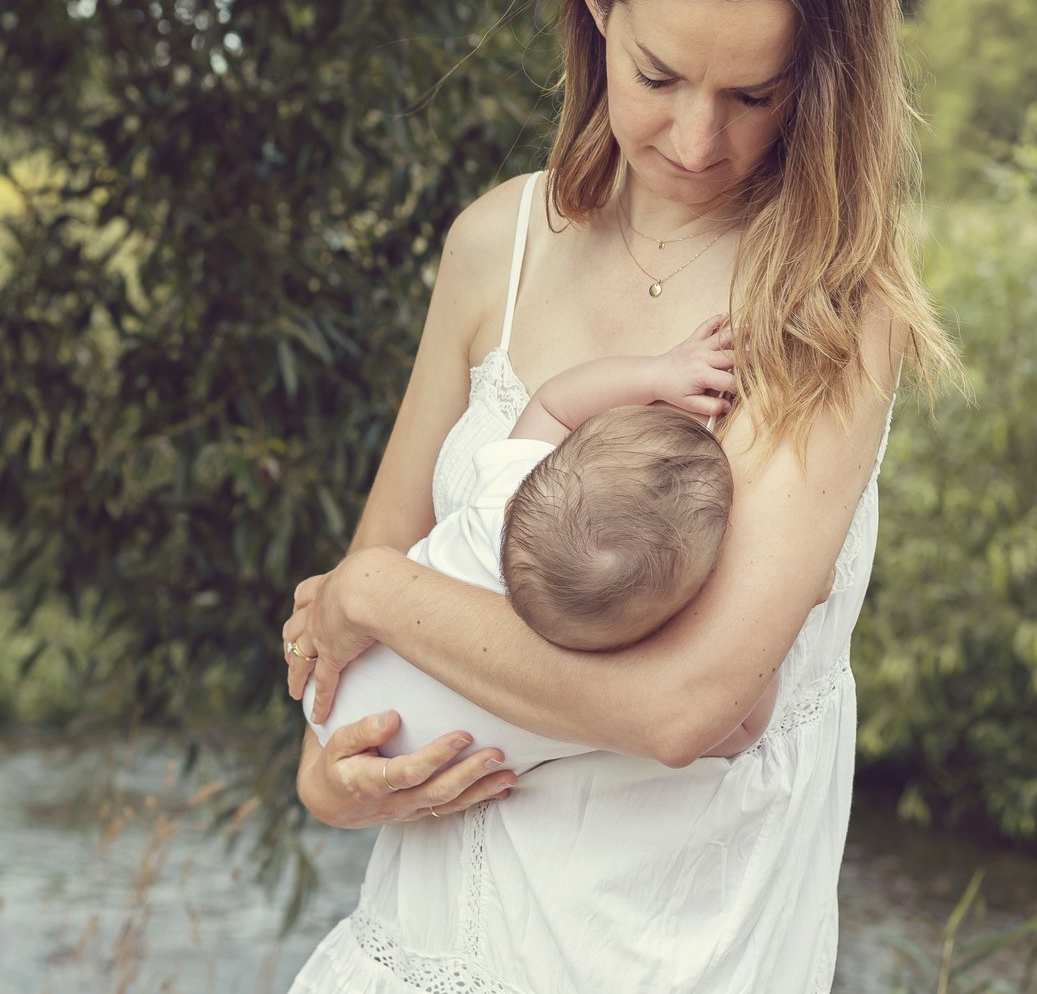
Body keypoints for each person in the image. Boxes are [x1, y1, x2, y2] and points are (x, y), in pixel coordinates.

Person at [188, 0, 958, 994]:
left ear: (826, 78)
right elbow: (333, 698)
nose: (696, 135)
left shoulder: (825, 315)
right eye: (661, 73)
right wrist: (337, 776)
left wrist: (374, 594)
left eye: (758, 94)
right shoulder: (500, 241)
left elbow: (688, 704)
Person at [303, 314, 769, 775]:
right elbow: (743, 727)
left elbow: (554, 403)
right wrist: (785, 600)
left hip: (340, 696)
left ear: (515, 503)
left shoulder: (500, 500)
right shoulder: (594, 689)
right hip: (397, 755)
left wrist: (657, 375)